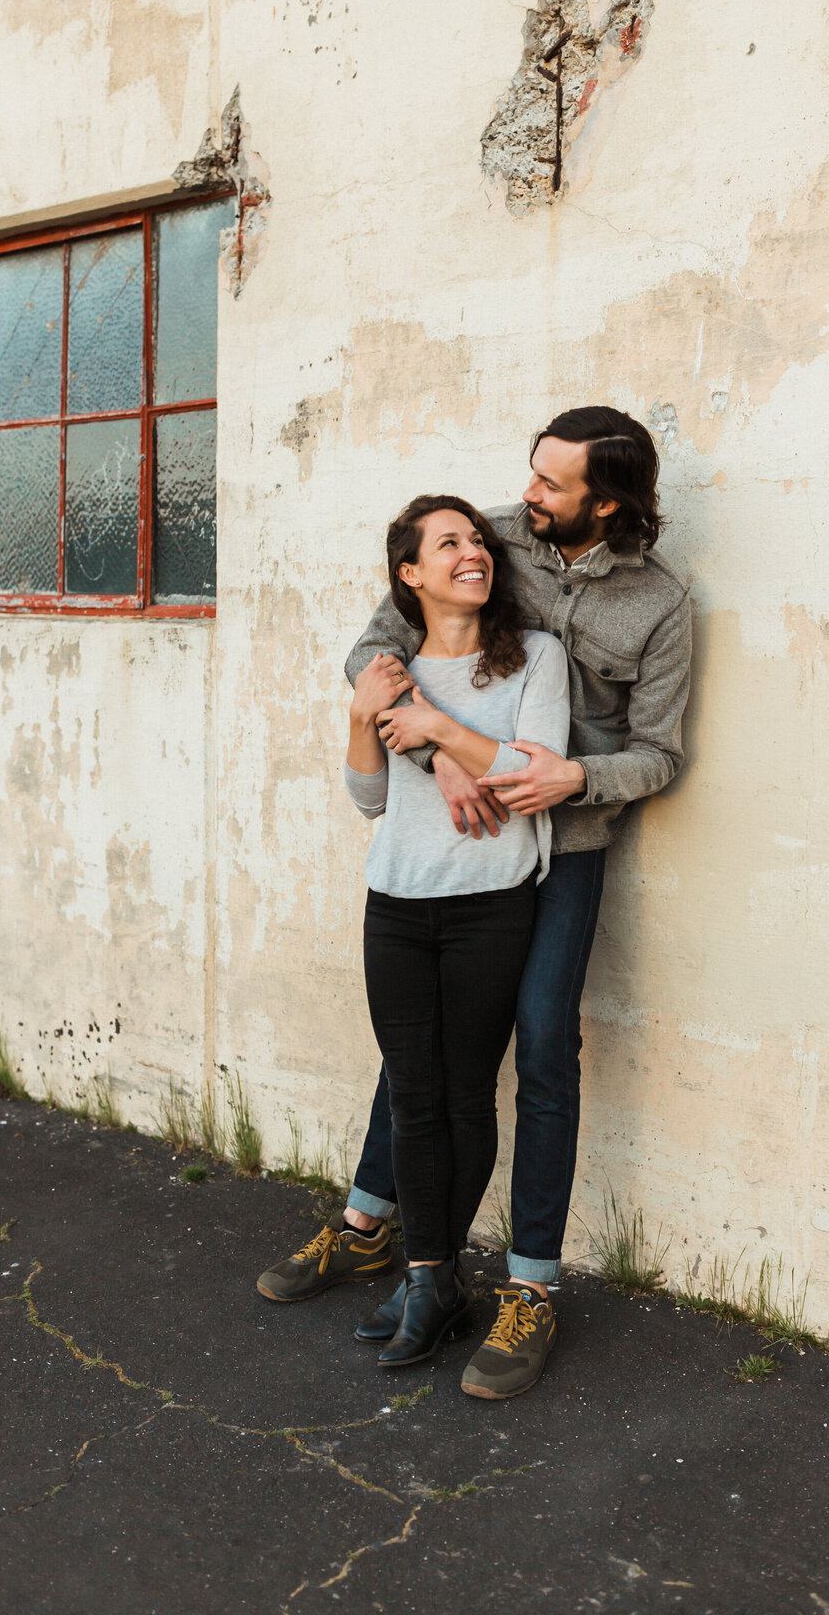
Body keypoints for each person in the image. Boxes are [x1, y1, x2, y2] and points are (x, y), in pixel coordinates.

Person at [257, 407, 691, 1400]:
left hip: (566, 845)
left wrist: (575, 778)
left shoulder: (662, 605)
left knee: (540, 1041)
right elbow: (373, 652)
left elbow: (660, 754)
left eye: (552, 485)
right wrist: (436, 749)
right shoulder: (487, 538)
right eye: (531, 475)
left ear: (608, 502)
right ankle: (371, 1227)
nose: (527, 496)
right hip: (453, 841)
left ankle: (529, 1288)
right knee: (428, 1036)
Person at [262, 493, 570, 1368]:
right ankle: (432, 1277)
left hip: (489, 907)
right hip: (395, 907)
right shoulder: (388, 673)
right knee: (411, 1093)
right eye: (448, 544)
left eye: (477, 541)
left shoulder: (536, 660)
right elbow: (369, 800)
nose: (472, 553)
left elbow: (533, 775)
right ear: (410, 573)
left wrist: (439, 732)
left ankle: (434, 1275)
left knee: (465, 1094)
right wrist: (366, 719)